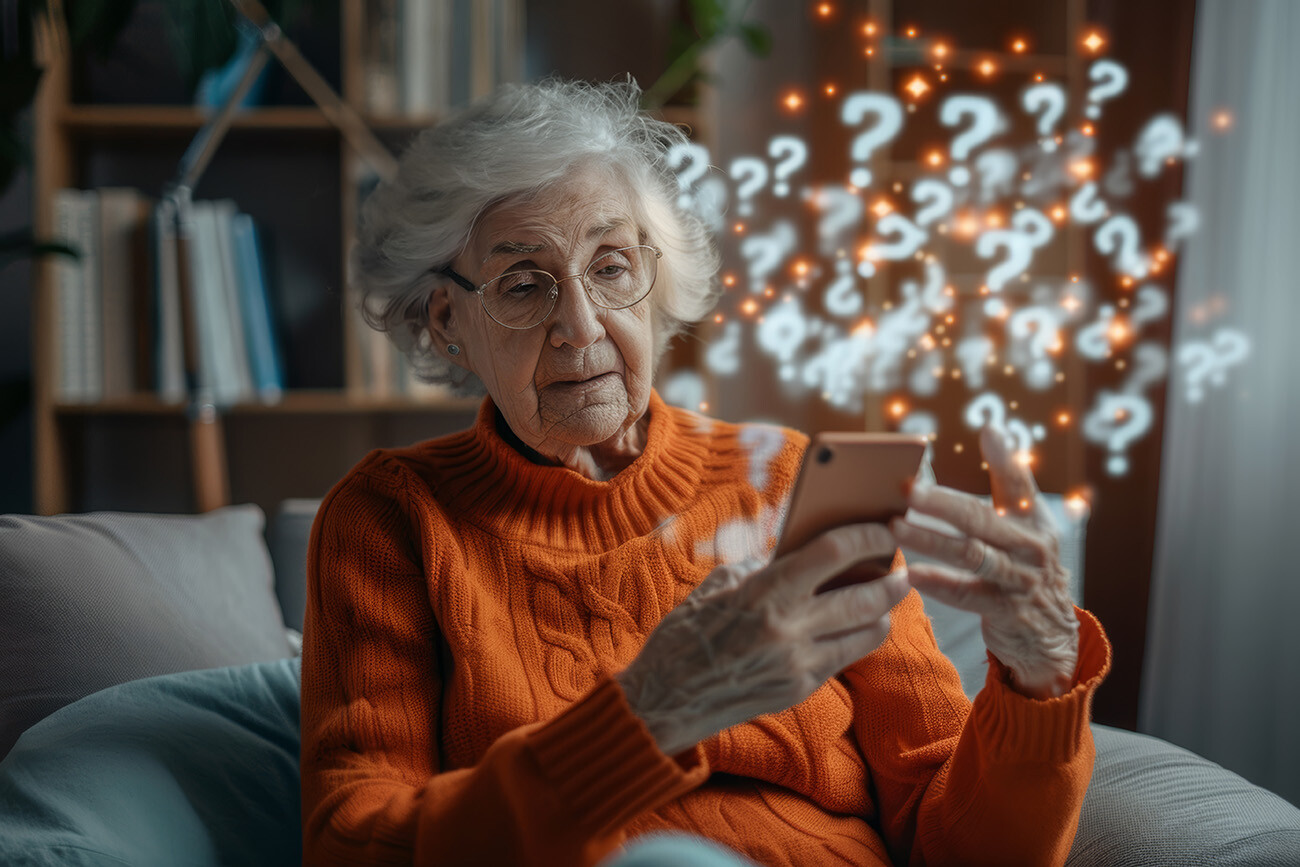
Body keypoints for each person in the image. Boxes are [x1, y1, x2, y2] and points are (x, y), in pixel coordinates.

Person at [299, 78, 1111, 867]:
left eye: (611, 267)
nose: (580, 326)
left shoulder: (790, 481)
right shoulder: (391, 518)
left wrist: (1036, 679)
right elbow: (351, 842)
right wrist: (651, 712)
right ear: (447, 321)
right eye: (523, 285)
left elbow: (958, 845)